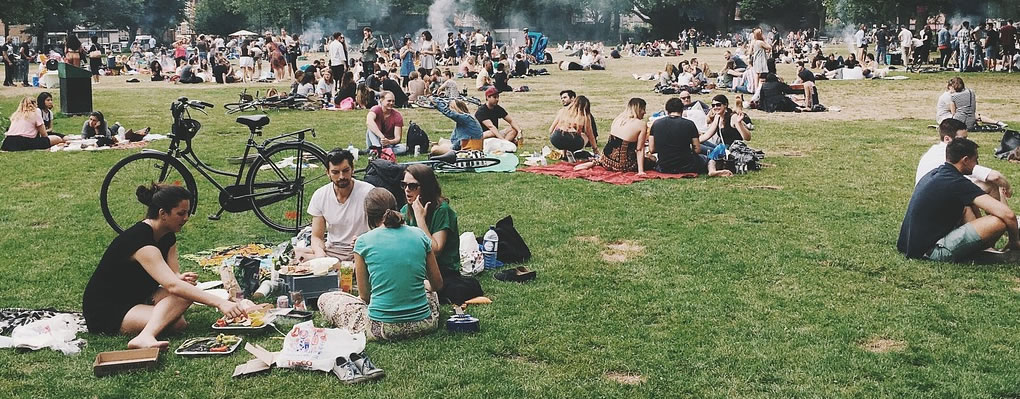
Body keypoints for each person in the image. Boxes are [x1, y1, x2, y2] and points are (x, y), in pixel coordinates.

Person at [82, 183, 258, 349]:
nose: (186, 218)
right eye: (181, 214)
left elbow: (174, 278)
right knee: (178, 314)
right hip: (107, 310)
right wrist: (220, 303)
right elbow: (173, 286)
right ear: (162, 213)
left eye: (187, 213)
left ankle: (151, 323)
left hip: (138, 297)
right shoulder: (141, 242)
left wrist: (179, 278)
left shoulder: (168, 237)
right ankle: (144, 337)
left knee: (182, 307)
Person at [316, 188, 444, 341]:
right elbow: (437, 284)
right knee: (429, 292)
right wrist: (425, 285)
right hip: (423, 323)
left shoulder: (363, 242)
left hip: (381, 327)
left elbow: (365, 297)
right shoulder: (420, 235)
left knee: (325, 298)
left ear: (368, 215)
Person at [898, 138, 1020, 262]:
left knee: (983, 193)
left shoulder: (938, 173)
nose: (977, 163)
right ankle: (987, 250)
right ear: (965, 160)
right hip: (930, 251)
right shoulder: (957, 183)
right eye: (975, 159)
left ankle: (986, 246)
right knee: (999, 221)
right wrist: (1014, 241)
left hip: (910, 244)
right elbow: (1008, 215)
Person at [399, 165, 468, 299]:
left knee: (454, 290)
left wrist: (420, 220)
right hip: (416, 269)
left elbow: (436, 250)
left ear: (425, 187)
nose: (407, 190)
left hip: (441, 271)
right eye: (404, 185)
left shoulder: (441, 210)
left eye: (412, 186)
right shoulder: (405, 210)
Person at [298, 149, 373, 263]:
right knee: (296, 255)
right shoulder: (320, 195)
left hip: (361, 250)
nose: (341, 176)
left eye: (345, 171)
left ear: (352, 169)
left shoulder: (369, 192)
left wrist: (364, 242)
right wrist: (320, 254)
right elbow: (317, 237)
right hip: (332, 251)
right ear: (327, 173)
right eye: (335, 172)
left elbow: (380, 230)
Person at [916, 119, 1012, 205]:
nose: (966, 142)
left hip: (925, 197)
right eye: (963, 139)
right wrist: (1007, 188)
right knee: (991, 185)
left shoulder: (934, 151)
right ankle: (1003, 220)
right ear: (947, 139)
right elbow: (994, 176)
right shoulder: (954, 155)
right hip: (937, 199)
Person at [649, 97, 731, 177]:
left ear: (667, 111)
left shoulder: (656, 124)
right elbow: (697, 150)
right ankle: (712, 171)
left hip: (664, 167)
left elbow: (652, 149)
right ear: (682, 110)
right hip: (687, 165)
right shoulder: (689, 124)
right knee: (709, 159)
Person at [574, 98, 647, 174]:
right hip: (623, 165)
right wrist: (641, 171)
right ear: (638, 109)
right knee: (652, 159)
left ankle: (595, 162)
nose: (645, 112)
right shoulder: (641, 124)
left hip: (606, 160)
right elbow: (640, 149)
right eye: (643, 109)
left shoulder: (618, 118)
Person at [1, 97, 66, 151]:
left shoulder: (16, 114)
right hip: (24, 141)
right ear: (34, 104)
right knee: (57, 139)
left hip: (8, 142)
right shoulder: (36, 112)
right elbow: (44, 134)